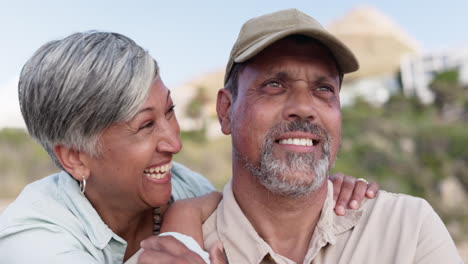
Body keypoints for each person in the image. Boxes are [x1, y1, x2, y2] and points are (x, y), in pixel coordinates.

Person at [0, 31, 377, 263]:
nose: (174, 143)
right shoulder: (32, 244)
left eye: (170, 112)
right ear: (75, 158)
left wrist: (317, 190)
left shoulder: (185, 187)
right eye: (145, 126)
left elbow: (235, 204)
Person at [137, 9, 463, 264]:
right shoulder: (174, 252)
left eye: (324, 89)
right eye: (274, 85)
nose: (304, 108)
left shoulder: (406, 230)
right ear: (225, 111)